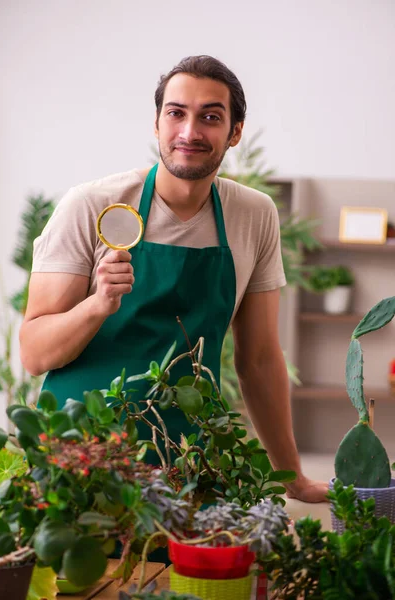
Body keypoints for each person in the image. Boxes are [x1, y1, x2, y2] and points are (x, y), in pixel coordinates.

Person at [20, 55, 327, 503]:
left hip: (189, 460)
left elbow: (259, 359)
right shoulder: (91, 204)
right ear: (158, 123)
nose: (189, 131)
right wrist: (97, 304)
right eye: (176, 113)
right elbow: (33, 352)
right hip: (81, 454)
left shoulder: (254, 215)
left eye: (210, 117)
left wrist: (292, 475)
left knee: (195, 575)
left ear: (235, 132)